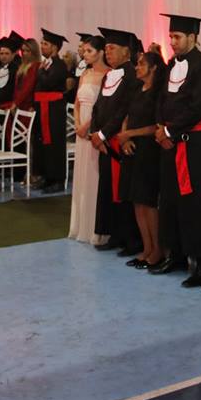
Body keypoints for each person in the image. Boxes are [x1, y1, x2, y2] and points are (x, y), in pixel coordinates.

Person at [150, 13, 201, 288]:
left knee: (196, 203)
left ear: (192, 37)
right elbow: (161, 98)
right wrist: (160, 126)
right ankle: (175, 254)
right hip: (171, 143)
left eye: (177, 37)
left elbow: (199, 107)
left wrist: (169, 131)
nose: (173, 42)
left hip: (195, 147)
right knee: (170, 200)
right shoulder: (171, 65)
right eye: (171, 37)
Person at [90, 29, 142, 254]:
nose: (107, 52)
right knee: (107, 188)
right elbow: (97, 106)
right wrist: (95, 132)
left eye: (112, 48)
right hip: (104, 141)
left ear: (126, 51)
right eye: (106, 48)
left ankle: (129, 239)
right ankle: (113, 233)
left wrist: (103, 134)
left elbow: (124, 109)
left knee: (123, 190)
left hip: (118, 141)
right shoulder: (108, 75)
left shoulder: (131, 75)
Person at [118, 51, 167, 270]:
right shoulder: (137, 89)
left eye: (141, 64)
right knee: (136, 200)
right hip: (132, 149)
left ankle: (157, 249)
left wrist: (130, 134)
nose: (137, 67)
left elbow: (155, 126)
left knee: (148, 201)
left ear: (153, 68)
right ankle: (146, 248)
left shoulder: (158, 93)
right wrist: (125, 138)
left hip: (149, 150)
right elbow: (127, 116)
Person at [69, 35, 108, 244]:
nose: (85, 54)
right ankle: (80, 225)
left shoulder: (108, 74)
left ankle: (95, 228)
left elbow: (103, 107)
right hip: (81, 131)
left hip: (94, 130)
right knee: (81, 176)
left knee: (94, 175)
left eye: (89, 51)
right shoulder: (85, 74)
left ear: (101, 52)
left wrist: (87, 126)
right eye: (84, 51)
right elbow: (76, 103)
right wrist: (77, 124)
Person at [32, 29, 71, 194]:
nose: (42, 46)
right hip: (42, 107)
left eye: (45, 44)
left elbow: (48, 83)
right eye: (41, 43)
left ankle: (57, 179)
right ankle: (47, 176)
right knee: (43, 143)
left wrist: (40, 71)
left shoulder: (59, 65)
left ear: (55, 47)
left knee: (54, 143)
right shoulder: (47, 63)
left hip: (54, 109)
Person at [0, 32, 23, 110]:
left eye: (7, 53)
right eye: (1, 54)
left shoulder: (16, 69)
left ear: (13, 55)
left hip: (9, 107)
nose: (4, 56)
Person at [11, 39, 40, 112]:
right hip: (19, 103)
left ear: (34, 52)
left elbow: (27, 88)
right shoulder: (23, 66)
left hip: (27, 104)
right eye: (23, 50)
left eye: (28, 51)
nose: (24, 53)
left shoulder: (35, 66)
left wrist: (16, 103)